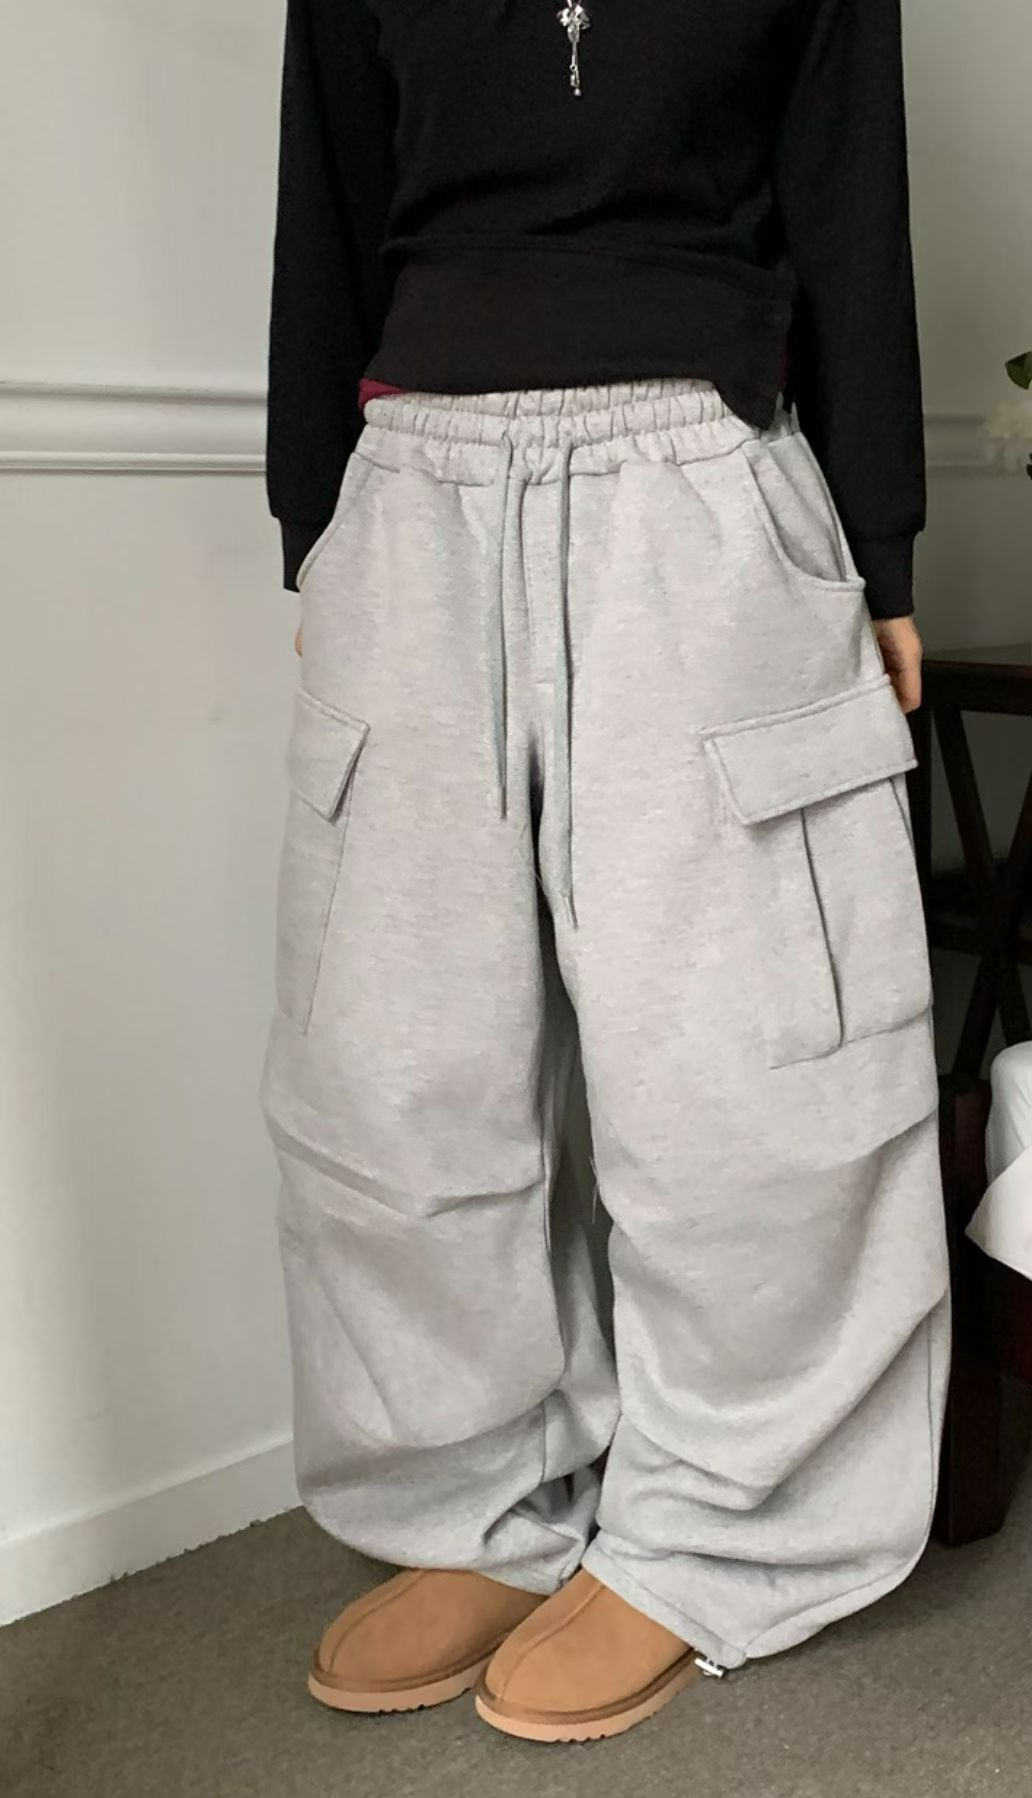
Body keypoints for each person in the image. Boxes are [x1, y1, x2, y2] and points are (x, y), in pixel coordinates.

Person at [259, 0, 950, 1745]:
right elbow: (326, 189)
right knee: (395, 1066)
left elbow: (848, 196)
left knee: (741, 1064)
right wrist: (315, 527)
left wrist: (881, 552)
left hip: (702, 482)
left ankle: (725, 1525)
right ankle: (472, 1500)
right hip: (413, 492)